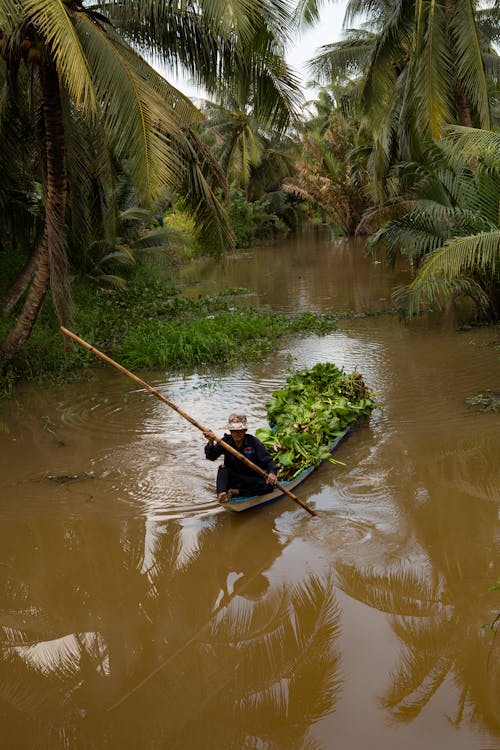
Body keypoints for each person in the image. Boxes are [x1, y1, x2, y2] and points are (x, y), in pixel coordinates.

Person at [204, 413, 278, 504]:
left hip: (249, 479)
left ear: (245, 430)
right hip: (233, 478)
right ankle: (222, 494)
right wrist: (210, 442)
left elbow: (268, 460)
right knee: (222, 468)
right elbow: (211, 457)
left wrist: (272, 473)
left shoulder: (253, 442)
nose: (237, 433)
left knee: (269, 486)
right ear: (230, 431)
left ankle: (237, 492)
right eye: (234, 431)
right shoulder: (225, 442)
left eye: (240, 430)